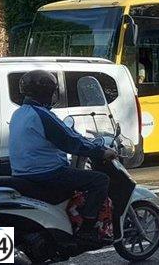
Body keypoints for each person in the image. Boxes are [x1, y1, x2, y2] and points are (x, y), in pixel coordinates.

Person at [8, 70, 116, 245]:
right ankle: (88, 230)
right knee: (100, 180)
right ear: (47, 92)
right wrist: (101, 151)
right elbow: (71, 141)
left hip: (22, 174)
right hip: (47, 174)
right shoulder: (42, 115)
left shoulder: (19, 114)